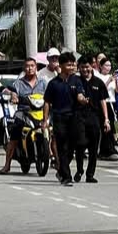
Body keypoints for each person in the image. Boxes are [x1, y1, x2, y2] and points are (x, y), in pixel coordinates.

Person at [0, 58, 47, 174]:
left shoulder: (43, 82)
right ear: (24, 68)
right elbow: (11, 91)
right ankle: (7, 165)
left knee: (53, 133)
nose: (30, 68)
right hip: (23, 113)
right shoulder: (19, 83)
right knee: (14, 135)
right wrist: (13, 96)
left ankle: (58, 163)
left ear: (36, 68)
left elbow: (49, 97)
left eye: (32, 66)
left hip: (40, 113)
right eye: (27, 66)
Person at [70, 56, 109, 183]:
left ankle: (90, 174)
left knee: (93, 148)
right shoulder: (75, 81)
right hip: (79, 117)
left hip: (94, 118)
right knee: (80, 144)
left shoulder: (98, 83)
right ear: (78, 67)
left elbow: (103, 101)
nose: (85, 70)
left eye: (87, 67)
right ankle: (79, 170)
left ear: (92, 66)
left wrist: (106, 119)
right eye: (82, 67)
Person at [43, 52, 77, 186]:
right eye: (68, 65)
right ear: (61, 66)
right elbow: (47, 102)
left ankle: (61, 169)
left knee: (72, 147)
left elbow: (80, 94)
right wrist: (45, 120)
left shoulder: (76, 80)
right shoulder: (53, 83)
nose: (72, 67)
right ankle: (66, 176)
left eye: (73, 64)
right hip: (59, 117)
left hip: (74, 118)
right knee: (62, 146)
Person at [95, 57, 118, 160]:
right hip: (101, 102)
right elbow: (101, 89)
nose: (108, 68)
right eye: (106, 65)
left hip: (111, 103)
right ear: (100, 66)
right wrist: (109, 80)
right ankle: (105, 150)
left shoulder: (112, 77)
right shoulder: (98, 76)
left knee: (111, 126)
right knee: (103, 126)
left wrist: (116, 81)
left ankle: (108, 149)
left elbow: (117, 90)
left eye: (109, 65)